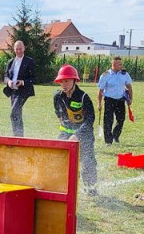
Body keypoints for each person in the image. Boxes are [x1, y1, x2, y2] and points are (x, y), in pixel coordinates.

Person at [54, 64, 97, 195]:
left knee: (87, 163)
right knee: (61, 161)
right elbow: (58, 113)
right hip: (65, 134)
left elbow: (90, 120)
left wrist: (77, 135)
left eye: (67, 81)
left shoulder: (84, 97)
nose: (64, 84)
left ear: (74, 81)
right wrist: (66, 133)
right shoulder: (57, 97)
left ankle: (91, 187)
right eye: (62, 81)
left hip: (84, 136)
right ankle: (66, 188)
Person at [96, 56, 133, 146]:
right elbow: (100, 91)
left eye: (121, 63)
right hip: (109, 100)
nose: (121, 65)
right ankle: (108, 141)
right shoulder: (105, 75)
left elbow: (129, 87)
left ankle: (115, 135)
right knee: (108, 120)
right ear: (114, 65)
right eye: (119, 64)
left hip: (120, 100)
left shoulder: (124, 74)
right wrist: (99, 103)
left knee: (121, 119)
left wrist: (130, 99)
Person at [3, 40, 35, 136]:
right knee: (17, 114)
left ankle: (17, 135)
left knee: (14, 112)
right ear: (14, 49)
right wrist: (8, 81)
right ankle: (19, 137)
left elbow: (34, 78)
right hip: (13, 91)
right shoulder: (10, 62)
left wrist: (22, 82)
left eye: (20, 49)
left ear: (24, 48)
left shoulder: (29, 61)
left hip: (24, 90)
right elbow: (5, 76)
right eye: (17, 49)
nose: (19, 51)